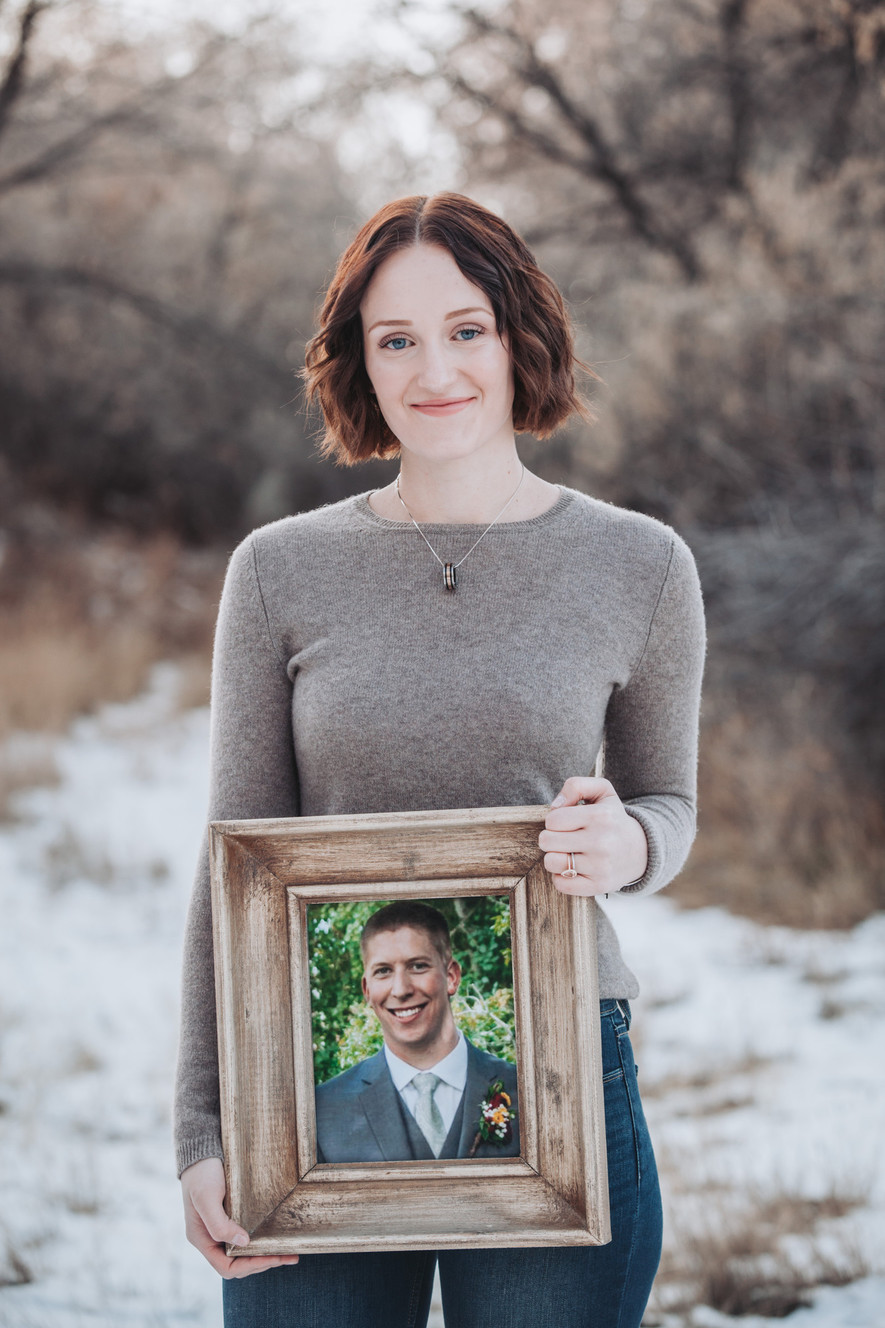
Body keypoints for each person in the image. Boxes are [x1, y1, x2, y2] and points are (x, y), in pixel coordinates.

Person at [175, 191, 705, 1327]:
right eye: (396, 339)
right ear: (360, 365)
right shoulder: (278, 572)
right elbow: (232, 869)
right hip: (306, 1114)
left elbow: (669, 802)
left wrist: (629, 841)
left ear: (519, 335)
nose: (435, 369)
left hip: (559, 1083)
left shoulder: (640, 565)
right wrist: (203, 1129)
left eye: (466, 328)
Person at [314, 901, 519, 1164]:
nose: (400, 989)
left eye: (417, 966)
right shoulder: (323, 1110)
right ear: (367, 989)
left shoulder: (525, 1090)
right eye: (383, 971)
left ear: (451, 976)